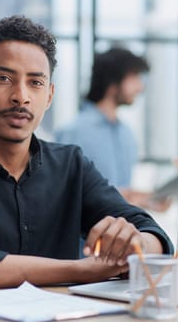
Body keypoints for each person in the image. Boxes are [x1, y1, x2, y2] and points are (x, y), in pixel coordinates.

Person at [0, 15, 174, 290]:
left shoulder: (71, 165)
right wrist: (79, 270)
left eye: (36, 82)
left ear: (50, 96)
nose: (21, 96)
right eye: (4, 78)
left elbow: (155, 238)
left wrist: (135, 242)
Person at [55, 48, 171, 211]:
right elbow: (64, 194)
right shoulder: (74, 132)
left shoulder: (126, 134)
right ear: (113, 83)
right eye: (134, 77)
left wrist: (146, 199)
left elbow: (119, 191)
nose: (140, 87)